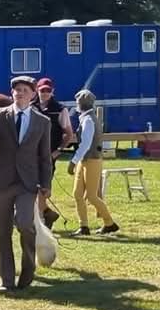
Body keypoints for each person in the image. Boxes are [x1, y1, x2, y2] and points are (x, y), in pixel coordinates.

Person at [0, 75, 52, 291]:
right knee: (2, 231)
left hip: (27, 183)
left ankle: (28, 268)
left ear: (33, 94)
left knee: (25, 224)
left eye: (24, 89)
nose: (19, 92)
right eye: (16, 89)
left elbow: (44, 156)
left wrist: (46, 183)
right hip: (2, 181)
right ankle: (6, 280)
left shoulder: (43, 122)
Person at [68, 89, 119, 236]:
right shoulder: (85, 118)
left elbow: (85, 144)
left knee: (91, 196)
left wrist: (73, 161)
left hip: (92, 160)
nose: (78, 104)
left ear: (82, 104)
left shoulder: (89, 120)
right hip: (84, 160)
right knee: (77, 194)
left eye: (79, 102)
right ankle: (83, 226)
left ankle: (110, 223)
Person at [31, 77, 75, 228]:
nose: (44, 93)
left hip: (49, 155)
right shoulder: (30, 107)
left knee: (43, 187)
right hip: (30, 155)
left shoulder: (60, 109)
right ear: (37, 90)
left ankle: (42, 219)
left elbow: (69, 134)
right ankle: (46, 215)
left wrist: (59, 151)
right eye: (42, 90)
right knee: (31, 187)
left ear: (52, 92)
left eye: (48, 90)